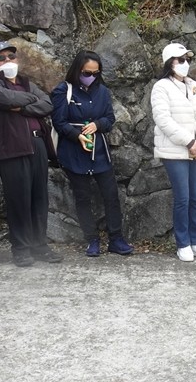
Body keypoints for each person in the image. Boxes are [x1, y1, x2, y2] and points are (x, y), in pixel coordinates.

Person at [0, 41, 62, 267]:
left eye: (11, 56)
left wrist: (22, 105)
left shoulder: (28, 83)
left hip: (37, 145)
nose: (8, 61)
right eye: (1, 58)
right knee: (18, 200)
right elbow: (6, 99)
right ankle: (21, 248)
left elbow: (47, 104)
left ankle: (40, 246)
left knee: (40, 198)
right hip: (13, 148)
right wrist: (26, 100)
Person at [51, 50, 134, 257]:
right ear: (78, 70)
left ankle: (116, 239)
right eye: (87, 72)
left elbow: (110, 118)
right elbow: (58, 121)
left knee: (111, 196)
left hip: (98, 150)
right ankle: (92, 240)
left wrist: (98, 124)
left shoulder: (103, 92)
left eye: (96, 73)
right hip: (74, 150)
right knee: (82, 197)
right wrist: (76, 134)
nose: (91, 77)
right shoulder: (64, 90)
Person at [151, 42, 196, 262]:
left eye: (187, 60)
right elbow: (163, 119)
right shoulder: (161, 87)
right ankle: (183, 243)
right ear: (170, 63)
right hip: (175, 151)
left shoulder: (194, 85)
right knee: (183, 197)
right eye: (180, 60)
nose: (185, 64)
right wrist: (190, 142)